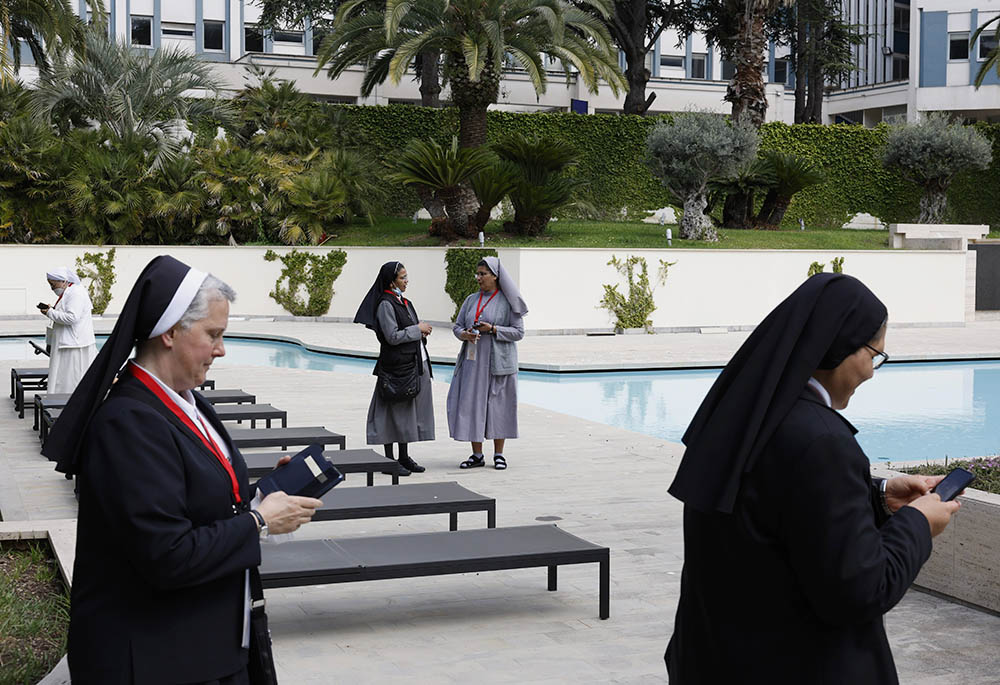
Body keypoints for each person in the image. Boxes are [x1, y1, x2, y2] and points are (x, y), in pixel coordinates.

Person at [664, 273, 962, 684]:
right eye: (874, 356)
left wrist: (876, 495)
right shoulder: (822, 441)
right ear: (842, 346)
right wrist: (919, 523)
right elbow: (862, 589)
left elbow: (772, 513)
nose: (872, 373)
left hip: (718, 660)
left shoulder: (744, 417)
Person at [42, 256, 323, 685]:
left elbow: (194, 502)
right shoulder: (127, 423)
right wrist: (258, 521)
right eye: (213, 334)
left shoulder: (188, 402)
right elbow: (167, 555)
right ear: (170, 332)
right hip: (158, 661)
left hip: (201, 646)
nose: (221, 349)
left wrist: (259, 501)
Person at [447, 256, 528, 470]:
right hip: (474, 362)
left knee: (499, 406)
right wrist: (464, 334)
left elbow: (518, 332)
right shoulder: (471, 300)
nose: (479, 278)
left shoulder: (507, 301)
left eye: (483, 274)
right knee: (473, 404)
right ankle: (477, 454)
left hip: (499, 363)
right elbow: (457, 326)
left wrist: (492, 329)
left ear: (495, 276)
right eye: (478, 274)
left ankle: (499, 454)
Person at [353, 261, 434, 476]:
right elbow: (392, 336)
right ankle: (389, 461)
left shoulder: (404, 301)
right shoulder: (386, 304)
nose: (407, 281)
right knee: (391, 411)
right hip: (395, 368)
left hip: (409, 364)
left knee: (405, 411)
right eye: (402, 278)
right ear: (391, 281)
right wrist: (417, 329)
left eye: (407, 277)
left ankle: (404, 456)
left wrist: (419, 331)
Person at [39, 266, 97, 393]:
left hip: (73, 345)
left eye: (53, 285)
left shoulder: (75, 293)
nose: (52, 288)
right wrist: (52, 310)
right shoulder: (70, 291)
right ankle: (60, 403)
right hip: (68, 344)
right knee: (63, 379)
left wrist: (50, 313)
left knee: (70, 380)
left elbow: (72, 318)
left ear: (63, 281)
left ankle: (67, 404)